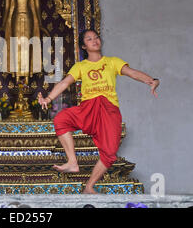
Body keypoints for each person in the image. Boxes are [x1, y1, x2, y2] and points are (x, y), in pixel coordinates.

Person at [38, 29, 160, 194]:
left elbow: (132, 73)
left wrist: (151, 80)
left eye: (96, 37)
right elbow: (65, 83)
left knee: (109, 153)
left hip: (109, 110)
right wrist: (48, 99)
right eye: (89, 39)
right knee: (61, 119)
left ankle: (89, 186)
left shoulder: (112, 62)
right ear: (84, 45)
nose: (94, 40)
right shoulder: (81, 66)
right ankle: (72, 162)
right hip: (88, 108)